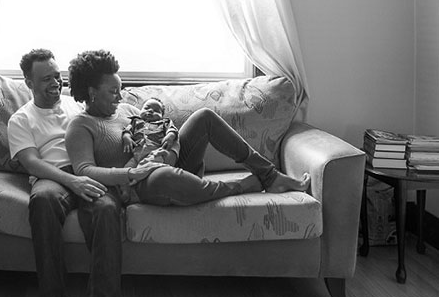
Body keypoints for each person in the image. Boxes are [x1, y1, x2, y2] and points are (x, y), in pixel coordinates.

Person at [65, 49, 310, 208]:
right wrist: (130, 174)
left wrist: (170, 151)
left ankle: (269, 175)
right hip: (143, 182)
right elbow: (84, 170)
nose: (120, 96)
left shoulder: (127, 110)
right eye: (112, 92)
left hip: (166, 161)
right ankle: (244, 185)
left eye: (120, 89)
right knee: (163, 177)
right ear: (91, 92)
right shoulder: (80, 125)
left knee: (204, 116)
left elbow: (161, 130)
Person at [7, 49, 123, 297]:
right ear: (28, 82)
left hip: (88, 170)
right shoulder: (21, 119)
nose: (55, 83)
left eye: (57, 76)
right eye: (46, 79)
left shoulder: (78, 105)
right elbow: (31, 163)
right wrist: (72, 180)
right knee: (43, 200)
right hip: (53, 177)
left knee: (108, 209)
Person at [122, 97, 179, 169]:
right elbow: (127, 130)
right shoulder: (135, 121)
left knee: (147, 167)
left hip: (155, 153)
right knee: (126, 170)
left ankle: (139, 176)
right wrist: (126, 137)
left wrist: (170, 136)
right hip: (137, 155)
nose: (151, 110)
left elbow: (172, 129)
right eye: (146, 108)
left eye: (156, 111)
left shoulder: (164, 122)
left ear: (161, 116)